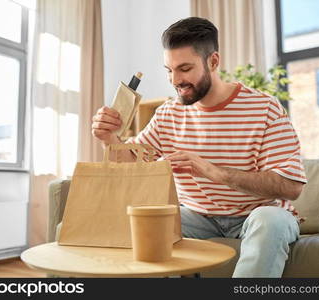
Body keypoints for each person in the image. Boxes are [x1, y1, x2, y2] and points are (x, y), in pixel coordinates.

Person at [91, 17, 307, 278]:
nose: (175, 80)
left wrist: (213, 172)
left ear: (213, 62)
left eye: (184, 69)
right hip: (196, 217)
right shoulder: (167, 114)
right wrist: (109, 139)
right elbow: (131, 162)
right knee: (142, 224)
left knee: (270, 221)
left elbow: (291, 186)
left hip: (258, 215)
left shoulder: (264, 109)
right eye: (169, 70)